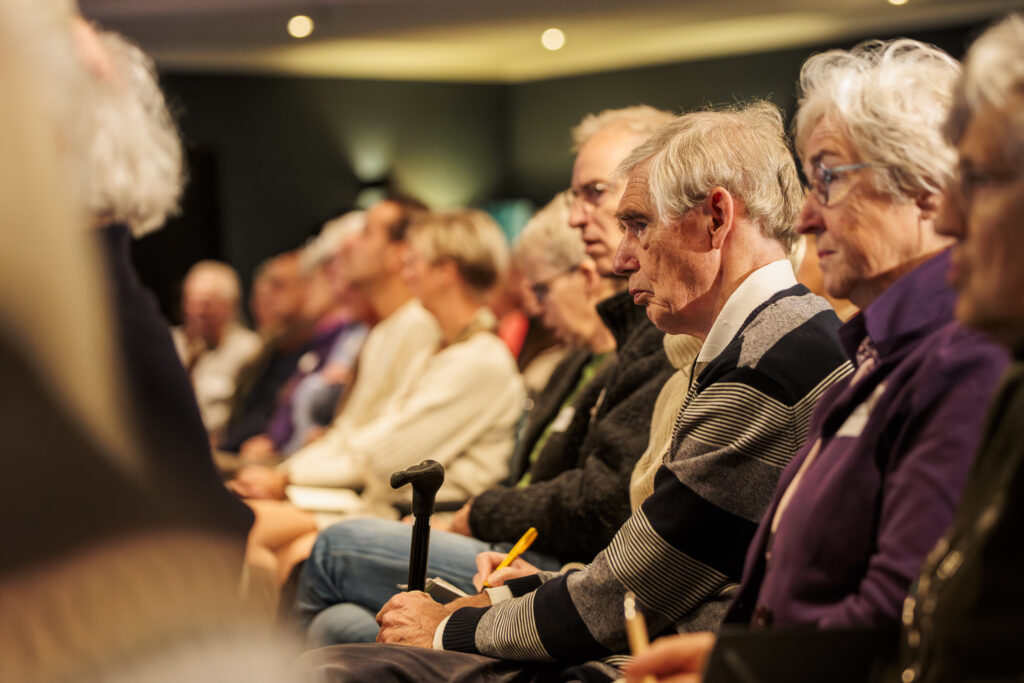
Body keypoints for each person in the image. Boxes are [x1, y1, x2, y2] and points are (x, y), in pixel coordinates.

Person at [305, 102, 849, 682]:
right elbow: (655, 566)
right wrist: (522, 593)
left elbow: (634, 591)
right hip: (655, 637)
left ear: (716, 217)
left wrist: (447, 628)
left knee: (339, 660)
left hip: (657, 662)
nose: (620, 258)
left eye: (638, 225)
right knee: (341, 637)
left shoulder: (766, 360)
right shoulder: (771, 336)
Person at [623, 37, 1011, 683]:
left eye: (828, 178)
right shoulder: (874, 350)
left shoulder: (958, 358)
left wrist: (739, 664)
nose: (804, 217)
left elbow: (902, 609)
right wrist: (730, 656)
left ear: (925, 189)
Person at [294, 190, 675, 645]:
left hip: (533, 550)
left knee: (332, 549)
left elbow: (596, 503)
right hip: (508, 542)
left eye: (541, 289)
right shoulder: (570, 362)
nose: (534, 306)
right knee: (335, 624)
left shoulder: (489, 358)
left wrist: (480, 514)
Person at [233, 210, 526, 583]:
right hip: (382, 502)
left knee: (249, 530)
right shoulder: (442, 351)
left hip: (418, 515)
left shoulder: (482, 360)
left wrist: (288, 478)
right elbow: (372, 438)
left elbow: (389, 461)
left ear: (445, 273)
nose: (406, 273)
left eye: (414, 262)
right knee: (245, 531)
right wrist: (288, 475)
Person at [173, 260, 261, 435]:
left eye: (206, 304)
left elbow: (251, 414)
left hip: (218, 443)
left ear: (230, 306)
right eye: (191, 301)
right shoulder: (170, 342)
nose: (197, 311)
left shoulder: (249, 350)